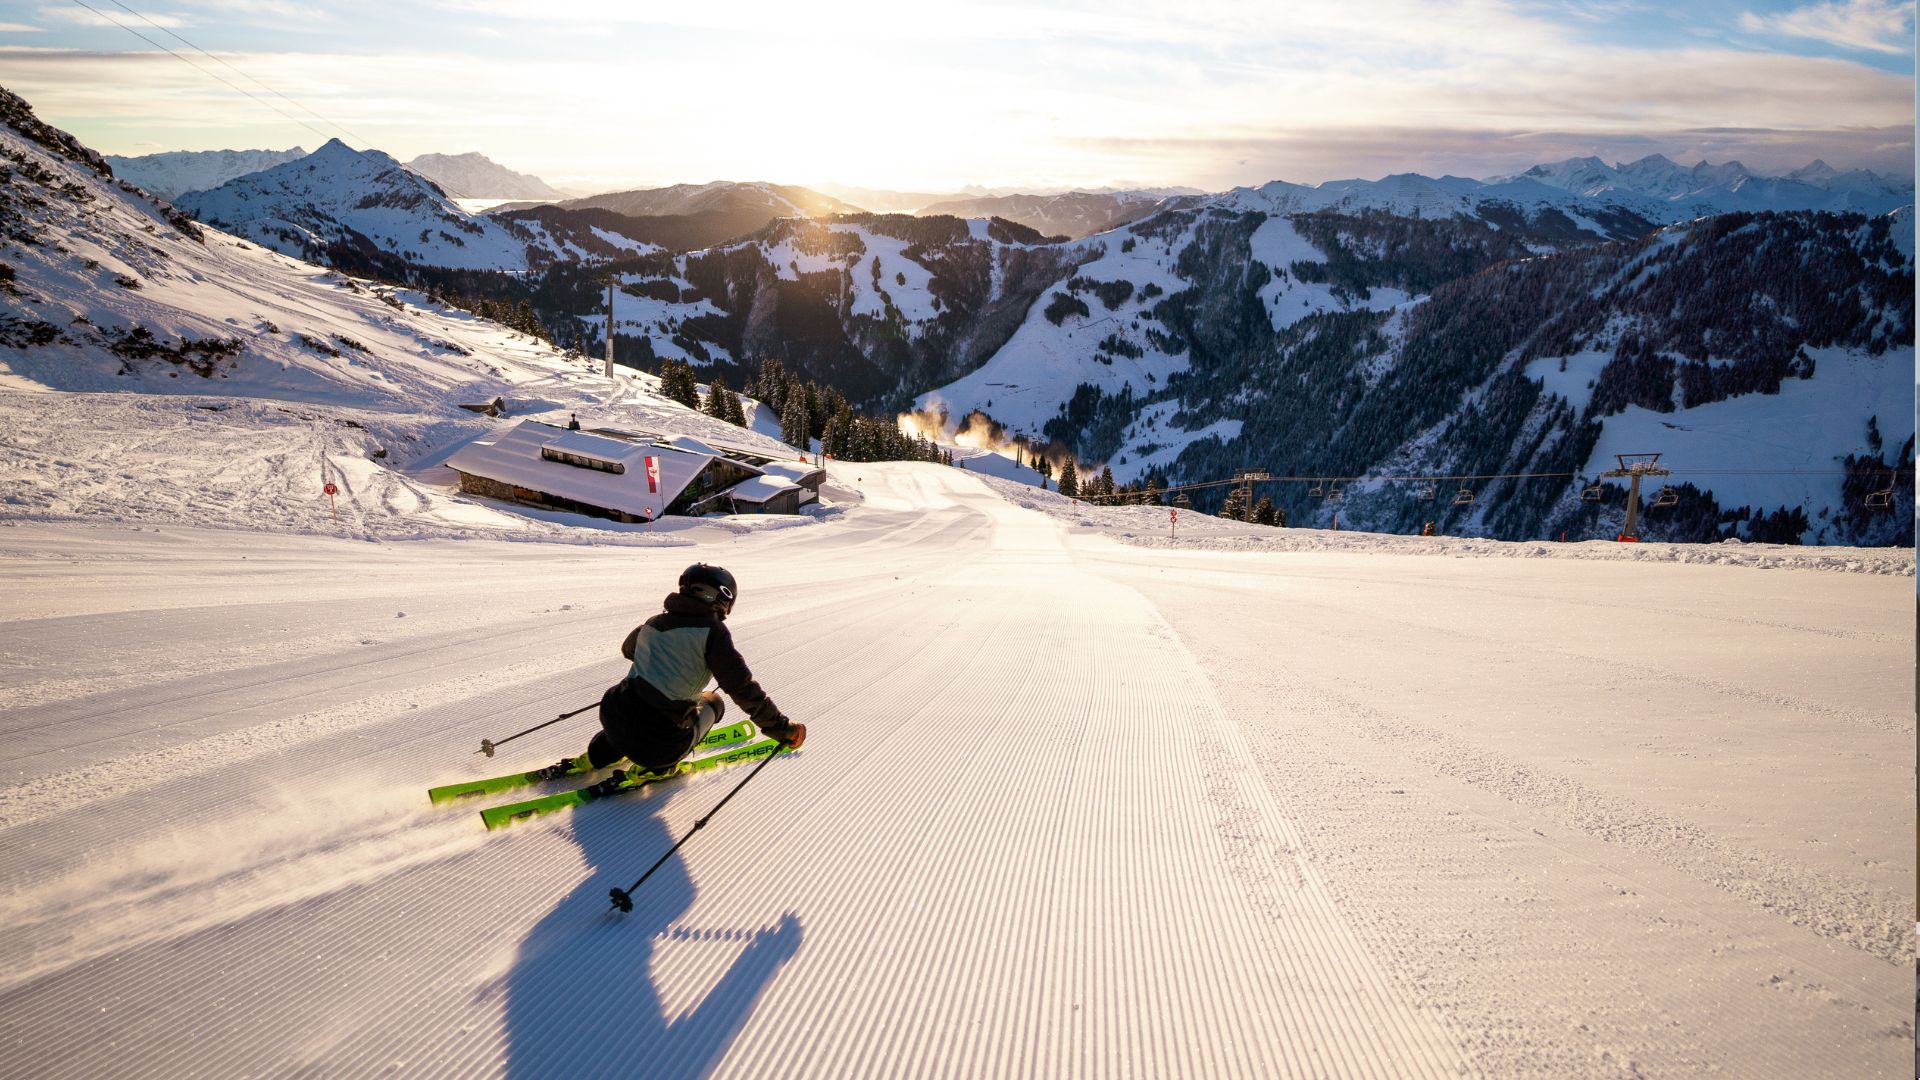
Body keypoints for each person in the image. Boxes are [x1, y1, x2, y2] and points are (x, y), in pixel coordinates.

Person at [577, 563, 803, 778]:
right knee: (713, 701)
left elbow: (629, 650)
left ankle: (599, 754)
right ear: (723, 597)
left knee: (637, 704)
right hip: (658, 746)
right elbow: (741, 688)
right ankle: (657, 769)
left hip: (612, 715)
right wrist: (782, 729)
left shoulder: (653, 622)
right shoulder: (712, 631)